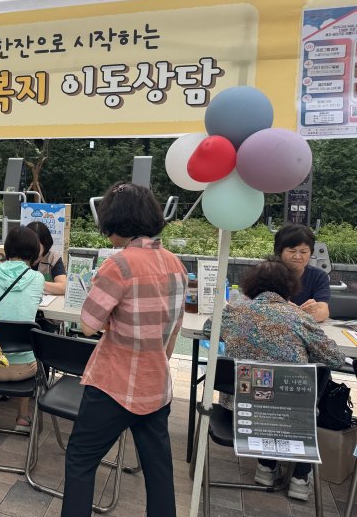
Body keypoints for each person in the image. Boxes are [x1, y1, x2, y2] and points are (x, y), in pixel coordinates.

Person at [62, 182, 187, 517]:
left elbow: (88, 324)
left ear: (116, 222)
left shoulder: (118, 265)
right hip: (157, 385)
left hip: (113, 385)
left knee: (81, 459)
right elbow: (173, 331)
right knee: (159, 471)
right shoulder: (177, 265)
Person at [204, 258, 345, 501]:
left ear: (250, 286)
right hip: (290, 418)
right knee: (292, 397)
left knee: (259, 391)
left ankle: (266, 468)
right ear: (290, 287)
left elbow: (208, 330)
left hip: (238, 413)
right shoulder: (299, 317)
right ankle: (300, 478)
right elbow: (335, 358)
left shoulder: (233, 312)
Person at [0, 226, 45, 433]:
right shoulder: (37, 279)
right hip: (26, 371)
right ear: (33, 252)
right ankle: (23, 418)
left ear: (6, 249)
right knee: (26, 341)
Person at [274, 224, 330, 322]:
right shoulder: (267, 273)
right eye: (292, 251)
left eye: (303, 252)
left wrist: (292, 312)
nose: (298, 256)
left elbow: (323, 312)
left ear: (311, 253)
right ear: (279, 251)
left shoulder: (319, 276)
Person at [26, 221, 67, 295]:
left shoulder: (53, 259)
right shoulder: (18, 257)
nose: (32, 250)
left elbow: (64, 287)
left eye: (37, 246)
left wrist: (36, 282)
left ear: (45, 244)